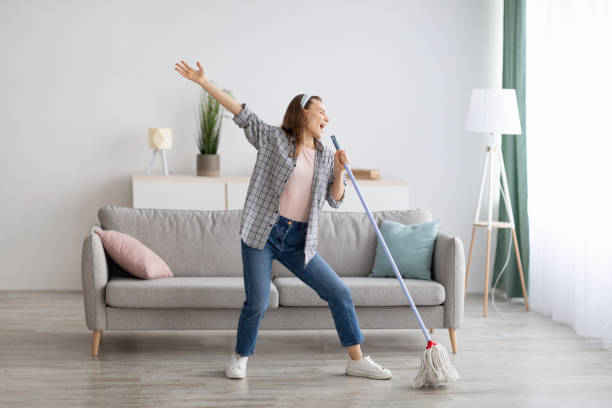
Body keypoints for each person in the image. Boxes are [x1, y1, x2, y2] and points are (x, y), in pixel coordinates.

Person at [175, 60, 392, 381]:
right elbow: (241, 113)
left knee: (340, 293)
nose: (327, 118)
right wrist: (205, 84)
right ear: (303, 112)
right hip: (263, 234)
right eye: (321, 111)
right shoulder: (273, 139)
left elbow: (335, 199)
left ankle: (357, 359)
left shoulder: (322, 155)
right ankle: (240, 356)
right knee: (258, 301)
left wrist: (339, 171)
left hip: (299, 241)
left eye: (327, 114)